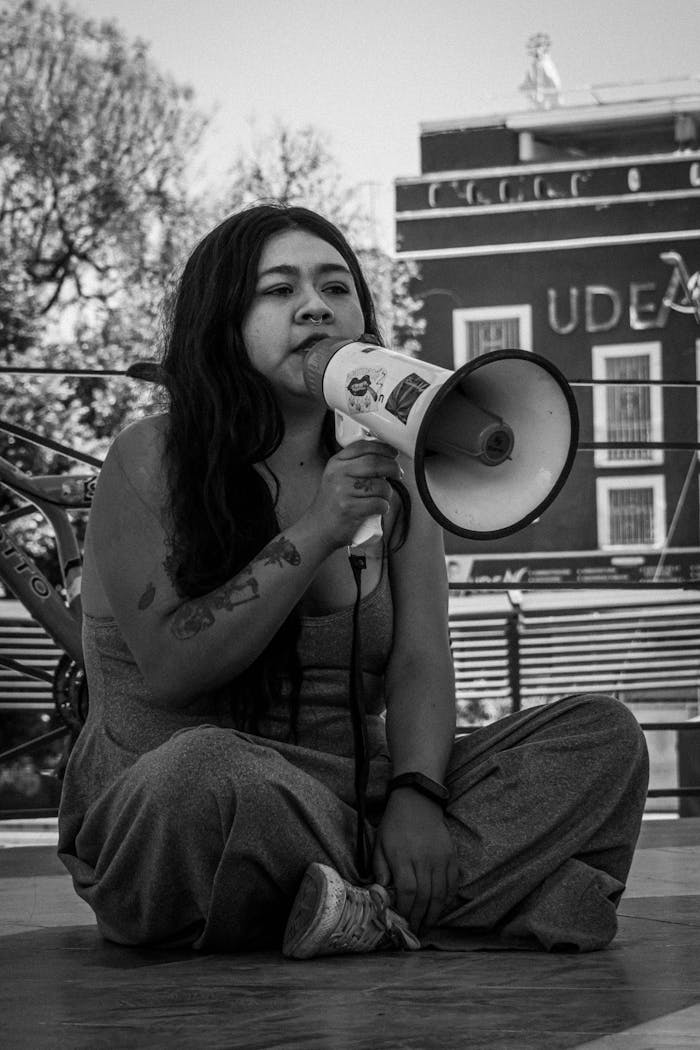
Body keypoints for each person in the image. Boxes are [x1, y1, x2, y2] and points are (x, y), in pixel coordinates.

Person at [58, 203, 649, 957]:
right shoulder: (150, 458)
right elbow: (175, 671)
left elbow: (420, 658)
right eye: (278, 291)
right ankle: (445, 895)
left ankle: (344, 906)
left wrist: (418, 795)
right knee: (197, 775)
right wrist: (318, 530)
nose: (315, 305)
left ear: (363, 317)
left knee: (604, 737)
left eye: (336, 287)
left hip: (359, 802)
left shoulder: (402, 465)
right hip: (199, 800)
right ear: (223, 321)